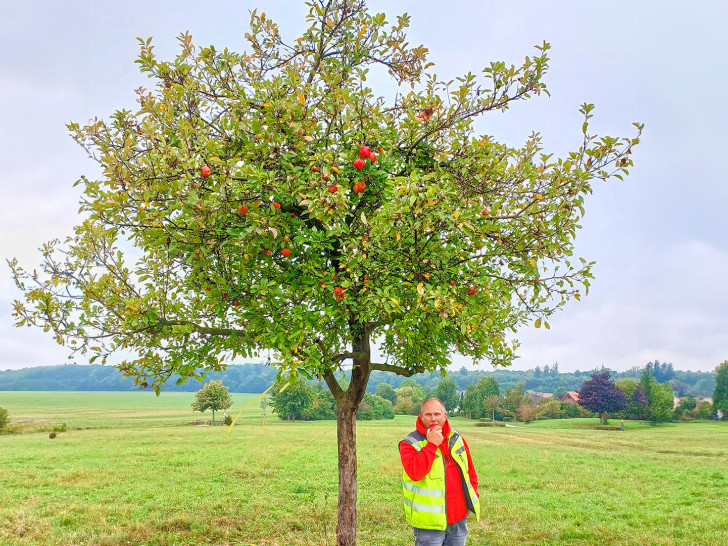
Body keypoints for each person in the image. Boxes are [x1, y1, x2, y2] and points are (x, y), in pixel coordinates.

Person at [399, 398, 480, 546]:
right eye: (428, 415)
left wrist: (470, 502)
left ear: (445, 415)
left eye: (437, 414)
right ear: (421, 416)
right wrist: (431, 445)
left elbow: (470, 473)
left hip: (458, 519)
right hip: (429, 524)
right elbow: (415, 473)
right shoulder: (410, 443)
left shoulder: (456, 439)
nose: (433, 419)